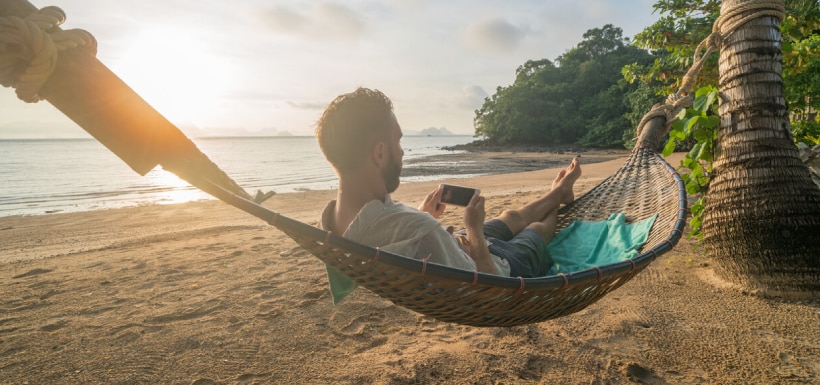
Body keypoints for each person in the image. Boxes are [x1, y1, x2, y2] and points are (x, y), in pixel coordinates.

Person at [315, 87, 580, 280]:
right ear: (380, 153)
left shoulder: (331, 226)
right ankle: (558, 200)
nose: (403, 152)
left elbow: (396, 237)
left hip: (457, 245)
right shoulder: (420, 229)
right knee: (534, 228)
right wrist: (474, 230)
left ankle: (558, 191)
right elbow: (490, 287)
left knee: (511, 215)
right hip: (501, 265)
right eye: (398, 142)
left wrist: (423, 214)